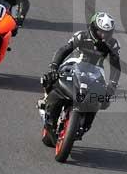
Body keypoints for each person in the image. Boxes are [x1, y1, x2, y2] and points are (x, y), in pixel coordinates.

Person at [39, 11, 121, 140]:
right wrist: (54, 67)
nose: (103, 35)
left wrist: (112, 85)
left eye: (107, 32)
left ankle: (85, 124)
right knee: (50, 79)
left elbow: (116, 66)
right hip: (73, 65)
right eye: (100, 31)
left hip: (96, 71)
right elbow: (64, 50)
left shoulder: (113, 44)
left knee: (103, 99)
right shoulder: (81, 36)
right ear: (93, 28)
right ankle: (46, 101)